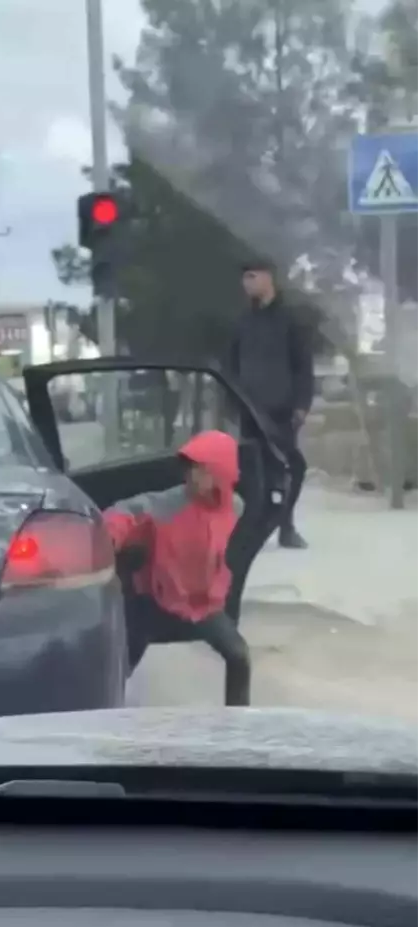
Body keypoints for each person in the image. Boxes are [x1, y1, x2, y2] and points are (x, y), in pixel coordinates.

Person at [104, 429, 251, 707]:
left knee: (239, 656)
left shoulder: (236, 508)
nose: (193, 477)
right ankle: (101, 716)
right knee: (118, 668)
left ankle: (237, 725)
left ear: (221, 473)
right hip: (154, 603)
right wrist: (109, 535)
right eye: (191, 469)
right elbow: (126, 512)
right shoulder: (168, 504)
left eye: (202, 471)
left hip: (202, 606)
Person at [230, 258, 314, 549]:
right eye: (245, 278)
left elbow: (304, 366)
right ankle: (256, 524)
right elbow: (231, 365)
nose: (247, 283)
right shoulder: (243, 321)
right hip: (249, 411)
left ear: (268, 278)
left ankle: (286, 525)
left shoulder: (290, 319)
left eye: (252, 276)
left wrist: (302, 405)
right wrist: (232, 401)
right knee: (254, 471)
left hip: (281, 410)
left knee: (291, 467)